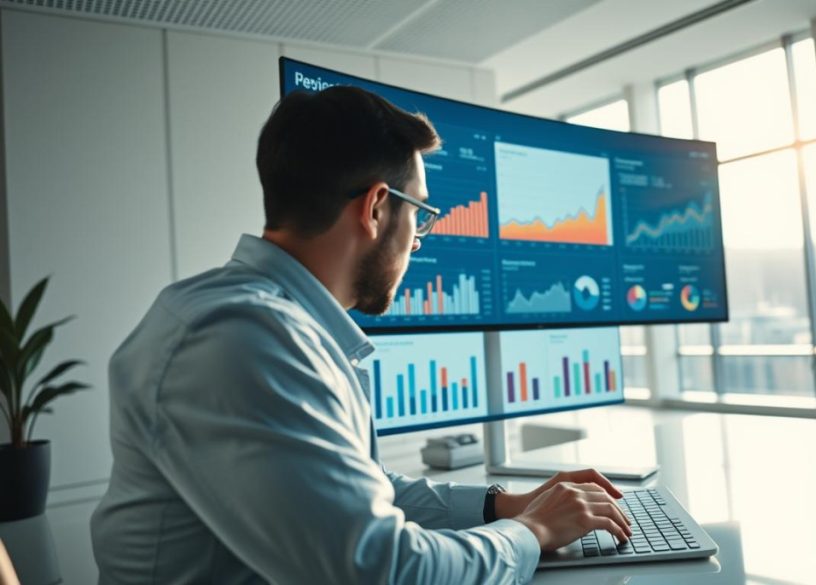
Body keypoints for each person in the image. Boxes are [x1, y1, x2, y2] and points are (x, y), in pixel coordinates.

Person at [91, 86, 632, 584]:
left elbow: (356, 489)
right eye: (419, 215)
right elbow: (382, 571)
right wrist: (534, 534)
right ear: (376, 208)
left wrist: (503, 506)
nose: (418, 242)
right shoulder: (239, 339)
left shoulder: (277, 325)